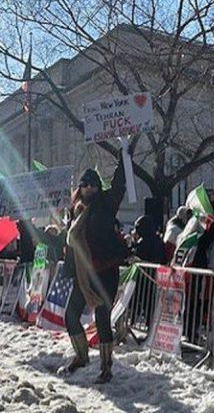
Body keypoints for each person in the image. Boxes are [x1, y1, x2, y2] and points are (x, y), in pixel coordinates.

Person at [58, 161, 129, 384]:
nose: (90, 188)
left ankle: (106, 368)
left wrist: (124, 155)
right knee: (70, 315)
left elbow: (118, 187)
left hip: (106, 270)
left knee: (102, 317)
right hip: (84, 273)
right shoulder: (75, 210)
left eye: (94, 184)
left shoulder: (105, 204)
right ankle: (81, 356)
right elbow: (71, 242)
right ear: (79, 187)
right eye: (86, 184)